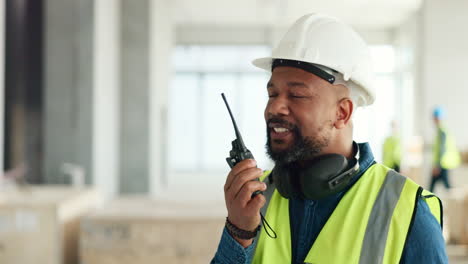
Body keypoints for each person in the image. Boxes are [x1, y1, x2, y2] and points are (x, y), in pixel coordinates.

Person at [211, 14, 447, 264]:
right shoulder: (256, 199)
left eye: (297, 95)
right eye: (273, 93)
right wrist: (239, 233)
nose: (275, 108)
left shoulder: (407, 213)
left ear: (342, 112)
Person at [429, 106, 460, 192]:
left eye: (435, 118)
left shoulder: (442, 131)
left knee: (438, 188)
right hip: (443, 164)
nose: (434, 120)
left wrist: (437, 165)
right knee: (443, 187)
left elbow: (442, 149)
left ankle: (455, 203)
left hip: (442, 164)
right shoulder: (441, 130)